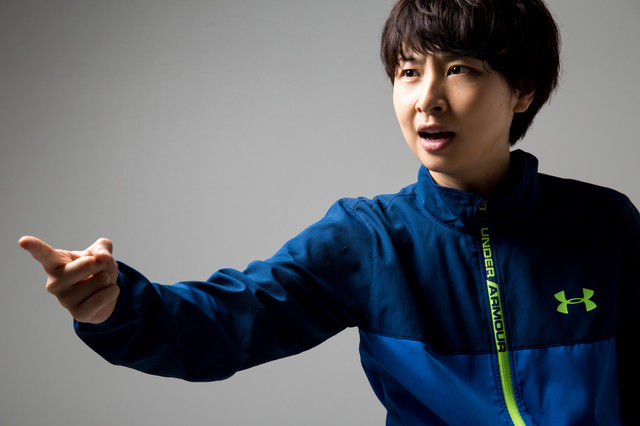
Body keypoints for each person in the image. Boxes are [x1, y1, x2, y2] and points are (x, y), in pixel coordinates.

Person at [18, 0, 639, 424]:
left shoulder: (603, 224)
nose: (427, 99)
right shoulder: (368, 240)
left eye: (458, 69)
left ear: (522, 89)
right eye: (408, 71)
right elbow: (229, 321)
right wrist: (116, 308)